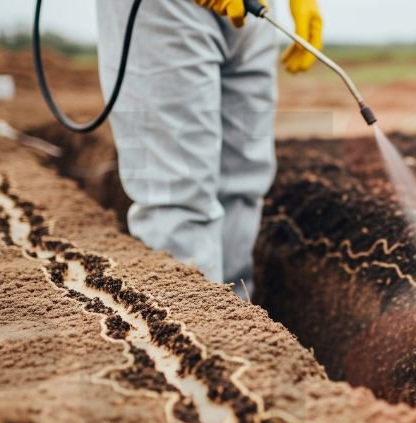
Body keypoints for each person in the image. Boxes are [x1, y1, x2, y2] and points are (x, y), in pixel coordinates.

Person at [96, 0, 322, 296]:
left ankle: (236, 320)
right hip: (165, 8)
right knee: (176, 193)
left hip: (254, 12)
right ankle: (187, 327)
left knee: (243, 180)